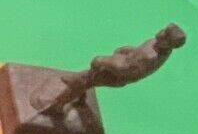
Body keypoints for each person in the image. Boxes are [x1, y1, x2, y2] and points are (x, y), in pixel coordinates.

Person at [36, 24, 187, 116]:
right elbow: (136, 51)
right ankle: (80, 98)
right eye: (164, 30)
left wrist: (103, 61)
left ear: (169, 44)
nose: (160, 34)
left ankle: (57, 106)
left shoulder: (151, 56)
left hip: (117, 76)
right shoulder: (156, 43)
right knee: (88, 77)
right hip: (120, 64)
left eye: (165, 36)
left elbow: (125, 69)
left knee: (82, 80)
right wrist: (125, 51)